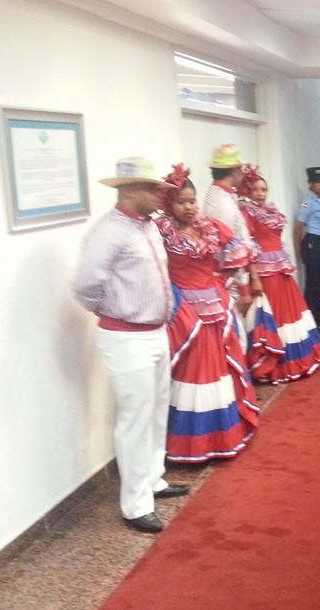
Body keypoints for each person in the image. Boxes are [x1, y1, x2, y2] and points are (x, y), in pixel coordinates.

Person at [72, 157, 189, 534]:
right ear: (129, 190)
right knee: (135, 418)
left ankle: (153, 479)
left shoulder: (148, 226)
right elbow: (85, 285)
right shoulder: (108, 232)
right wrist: (111, 311)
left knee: (156, 409)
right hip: (125, 336)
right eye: (152, 188)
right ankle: (136, 504)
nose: (159, 194)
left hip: (155, 331)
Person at [156, 164, 260, 463]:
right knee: (193, 372)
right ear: (169, 203)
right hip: (186, 314)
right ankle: (192, 443)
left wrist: (237, 287)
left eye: (192, 201)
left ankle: (220, 436)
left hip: (215, 309)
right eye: (181, 202)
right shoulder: (162, 231)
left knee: (215, 370)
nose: (188, 207)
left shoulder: (208, 226)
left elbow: (238, 252)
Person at [238, 164, 320, 382]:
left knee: (290, 310)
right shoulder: (246, 212)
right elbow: (246, 243)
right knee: (274, 311)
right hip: (265, 269)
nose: (260, 194)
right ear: (248, 190)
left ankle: (295, 357)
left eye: (263, 189)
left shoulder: (271, 210)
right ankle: (274, 362)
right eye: (256, 189)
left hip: (281, 267)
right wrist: (254, 274)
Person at [201, 144, 262, 347]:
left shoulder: (219, 195)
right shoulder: (223, 204)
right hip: (229, 280)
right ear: (234, 171)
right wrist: (244, 288)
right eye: (240, 170)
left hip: (229, 276)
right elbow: (230, 251)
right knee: (236, 337)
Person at [294, 166, 320, 333]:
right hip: (312, 242)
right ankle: (311, 323)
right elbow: (298, 227)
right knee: (312, 285)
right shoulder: (308, 202)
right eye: (318, 182)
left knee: (319, 283)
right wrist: (298, 249)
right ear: (310, 184)